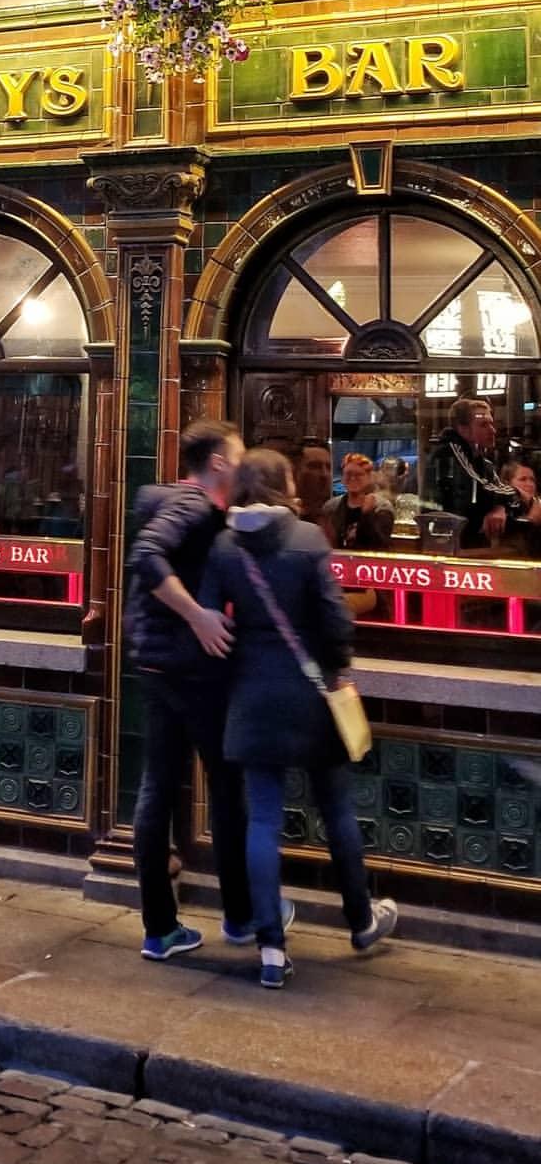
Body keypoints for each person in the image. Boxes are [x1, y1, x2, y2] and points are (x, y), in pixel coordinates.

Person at [201, 448, 398, 989]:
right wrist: (338, 670)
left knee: (262, 820)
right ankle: (361, 921)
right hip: (311, 696)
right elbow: (336, 621)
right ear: (282, 484)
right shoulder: (309, 539)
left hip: (251, 694)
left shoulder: (224, 546)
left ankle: (270, 949)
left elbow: (212, 621)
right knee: (336, 810)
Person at [126, 420, 276, 961]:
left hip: (157, 664)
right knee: (226, 788)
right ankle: (240, 916)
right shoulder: (191, 506)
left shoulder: (190, 508)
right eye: (239, 454)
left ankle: (160, 929)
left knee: (158, 789)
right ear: (218, 462)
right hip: (192, 670)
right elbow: (146, 555)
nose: (245, 464)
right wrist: (198, 617)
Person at [425, 398, 520, 550]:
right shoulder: (449, 452)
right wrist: (517, 494)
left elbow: (500, 491)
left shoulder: (483, 463)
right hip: (449, 546)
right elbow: (480, 490)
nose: (493, 430)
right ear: (463, 429)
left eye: (491, 424)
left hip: (470, 545)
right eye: (483, 425)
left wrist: (500, 507)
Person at [323, 454, 395, 551]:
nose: (352, 478)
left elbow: (380, 545)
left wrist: (367, 515)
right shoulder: (330, 507)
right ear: (342, 478)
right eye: (348, 474)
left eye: (358, 475)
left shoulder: (382, 508)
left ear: (369, 477)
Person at [293, 440, 332, 526]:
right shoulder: (285, 515)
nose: (324, 474)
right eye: (315, 466)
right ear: (295, 470)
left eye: (329, 467)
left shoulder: (338, 511)